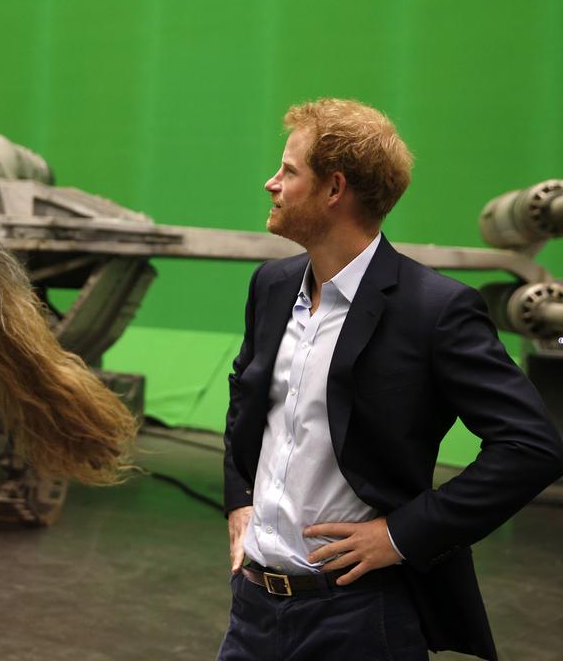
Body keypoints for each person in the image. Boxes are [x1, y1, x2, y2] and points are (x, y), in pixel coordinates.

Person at [218, 98, 563, 661]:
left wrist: (400, 534)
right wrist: (239, 501)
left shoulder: (436, 310)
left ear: (335, 189)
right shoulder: (272, 285)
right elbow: (247, 396)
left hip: (359, 618)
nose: (270, 182)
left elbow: (531, 446)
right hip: (252, 608)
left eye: (289, 170)